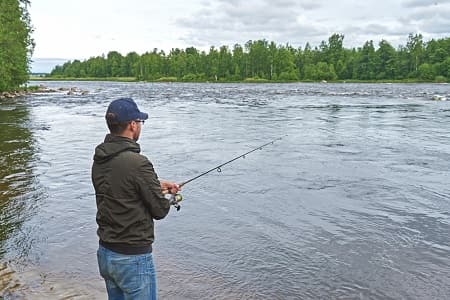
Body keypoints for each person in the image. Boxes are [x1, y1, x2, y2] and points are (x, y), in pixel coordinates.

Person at [91, 97, 180, 299]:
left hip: (106, 254)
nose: (140, 126)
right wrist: (164, 195)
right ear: (132, 125)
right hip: (132, 259)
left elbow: (119, 188)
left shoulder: (100, 158)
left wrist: (155, 185)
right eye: (140, 122)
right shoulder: (138, 163)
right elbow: (160, 210)